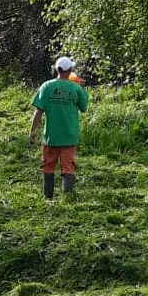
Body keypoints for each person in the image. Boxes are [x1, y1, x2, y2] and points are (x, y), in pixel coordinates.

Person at [28, 56, 89, 199]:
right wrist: (81, 88)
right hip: (69, 135)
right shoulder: (76, 87)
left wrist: (32, 131)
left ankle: (48, 197)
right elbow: (84, 107)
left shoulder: (46, 86)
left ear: (56, 69)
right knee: (68, 167)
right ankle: (67, 198)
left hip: (50, 137)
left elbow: (38, 111)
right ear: (70, 71)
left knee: (48, 166)